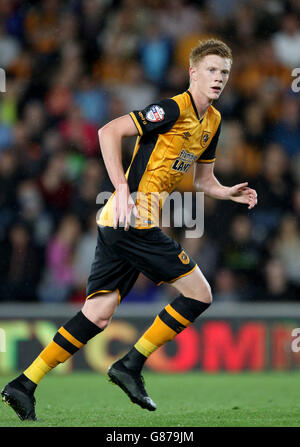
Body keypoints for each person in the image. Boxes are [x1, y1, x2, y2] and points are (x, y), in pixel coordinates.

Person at [1, 38, 257, 420]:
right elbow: (108, 131)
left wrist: (226, 191)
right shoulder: (172, 108)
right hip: (133, 217)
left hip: (119, 224)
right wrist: (121, 189)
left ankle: (24, 383)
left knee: (99, 312)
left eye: (224, 72)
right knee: (200, 293)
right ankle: (130, 365)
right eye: (211, 70)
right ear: (193, 73)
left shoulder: (214, 123)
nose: (218, 78)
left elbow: (203, 181)